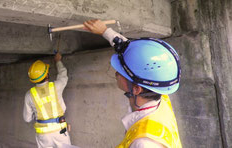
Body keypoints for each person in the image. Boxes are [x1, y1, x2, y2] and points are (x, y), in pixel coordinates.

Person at [83, 19, 182, 148]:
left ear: (136, 89)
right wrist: (105, 31)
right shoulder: (160, 95)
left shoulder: (145, 143)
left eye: (121, 72)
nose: (116, 73)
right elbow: (137, 54)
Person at [23, 52, 71, 148]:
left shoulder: (29, 95)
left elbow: (27, 119)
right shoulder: (56, 86)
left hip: (43, 135)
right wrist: (58, 61)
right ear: (47, 75)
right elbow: (63, 74)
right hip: (60, 131)